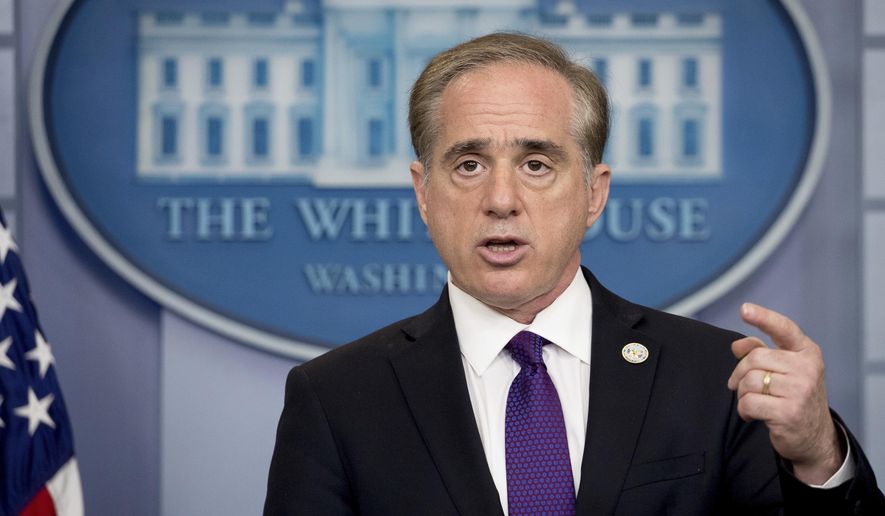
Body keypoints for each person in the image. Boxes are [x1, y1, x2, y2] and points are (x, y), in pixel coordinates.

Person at [265, 33, 884, 515]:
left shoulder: (720, 379)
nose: (501, 199)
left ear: (594, 192)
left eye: (537, 164)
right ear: (424, 194)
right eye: (469, 164)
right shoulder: (337, 399)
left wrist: (818, 459)